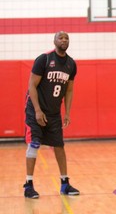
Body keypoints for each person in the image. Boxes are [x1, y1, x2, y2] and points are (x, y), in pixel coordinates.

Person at [23, 31, 79, 199]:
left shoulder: (71, 64)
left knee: (59, 146)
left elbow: (69, 90)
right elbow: (31, 85)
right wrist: (38, 110)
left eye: (66, 38)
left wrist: (67, 112)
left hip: (54, 112)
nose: (64, 40)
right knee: (34, 143)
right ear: (54, 41)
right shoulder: (44, 59)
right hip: (35, 109)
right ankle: (28, 184)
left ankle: (64, 183)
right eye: (60, 37)